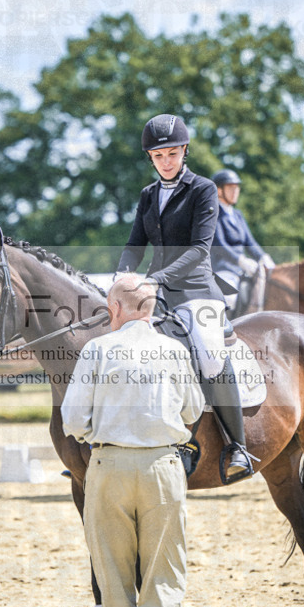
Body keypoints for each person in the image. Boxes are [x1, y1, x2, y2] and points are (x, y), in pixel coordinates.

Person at [60, 274, 204, 607]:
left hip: (108, 470)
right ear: (152, 309)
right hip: (163, 469)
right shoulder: (174, 350)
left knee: (114, 579)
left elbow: (72, 420)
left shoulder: (96, 350)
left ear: (117, 309)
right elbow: (193, 410)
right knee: (165, 577)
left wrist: (97, 434)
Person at [116, 114, 257, 482]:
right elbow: (134, 244)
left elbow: (198, 249)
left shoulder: (204, 189)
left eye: (173, 153)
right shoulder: (148, 195)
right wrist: (122, 277)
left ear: (184, 152)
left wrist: (156, 279)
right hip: (154, 293)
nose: (166, 161)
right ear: (150, 157)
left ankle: (237, 447)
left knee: (210, 356)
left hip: (196, 291)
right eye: (159, 155)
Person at [211, 168, 275, 315]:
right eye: (231, 188)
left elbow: (249, 242)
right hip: (221, 270)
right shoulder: (212, 213)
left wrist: (263, 257)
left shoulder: (237, 215)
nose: (235, 191)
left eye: (237, 188)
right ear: (219, 190)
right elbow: (219, 245)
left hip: (242, 271)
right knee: (230, 298)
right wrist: (240, 260)